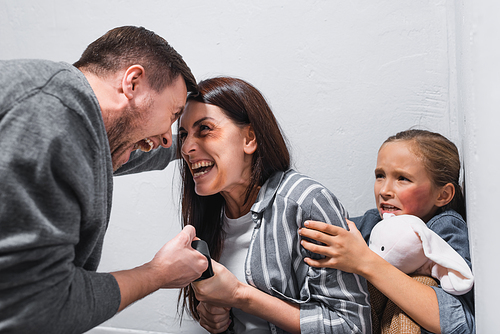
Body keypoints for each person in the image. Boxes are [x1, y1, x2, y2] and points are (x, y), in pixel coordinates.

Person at [0, 26, 209, 333]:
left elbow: (133, 152)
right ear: (133, 83)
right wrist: (158, 273)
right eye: (173, 115)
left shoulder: (72, 117)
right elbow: (39, 308)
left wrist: (196, 144)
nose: (168, 138)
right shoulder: (52, 116)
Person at [176, 77, 371, 334]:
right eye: (183, 135)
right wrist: (209, 311)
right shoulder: (208, 216)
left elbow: (353, 327)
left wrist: (240, 295)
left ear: (250, 139)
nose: (187, 148)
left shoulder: (307, 204)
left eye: (205, 129)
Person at [299, 130, 475, 334]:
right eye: (380, 176)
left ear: (443, 195)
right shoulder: (372, 222)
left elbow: (460, 323)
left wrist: (365, 261)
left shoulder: (444, 228)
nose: (384, 190)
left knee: (421, 282)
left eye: (403, 178)